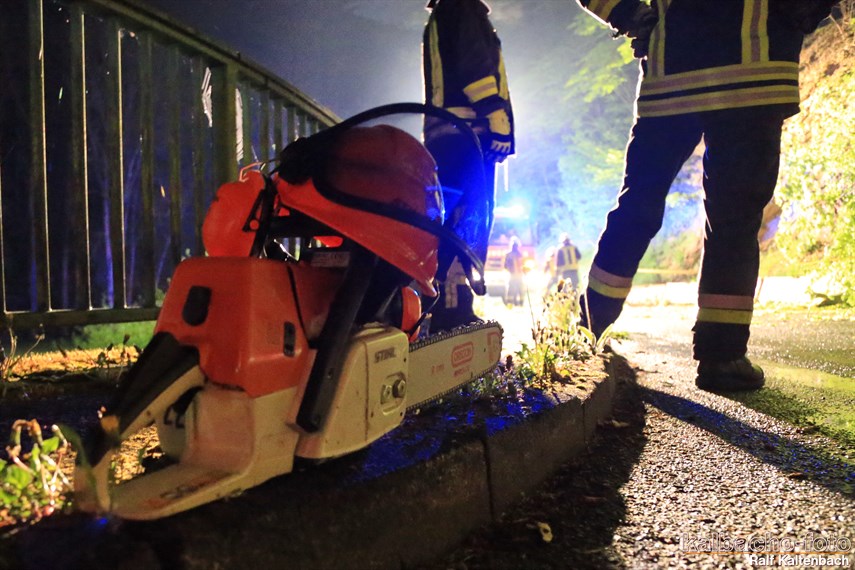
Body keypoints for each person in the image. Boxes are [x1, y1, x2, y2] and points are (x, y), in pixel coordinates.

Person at [575, 0, 839, 392]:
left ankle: (587, 330)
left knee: (638, 205)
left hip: (673, 75)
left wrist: (627, 13)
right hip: (755, 69)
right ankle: (722, 357)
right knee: (733, 221)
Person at [422, 0, 515, 330]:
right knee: (467, 219)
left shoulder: (447, 10)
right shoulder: (462, 7)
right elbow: (475, 68)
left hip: (450, 134)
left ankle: (451, 305)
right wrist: (497, 118)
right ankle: (450, 311)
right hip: (467, 134)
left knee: (453, 218)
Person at [504, 238, 525, 306]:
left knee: (511, 288)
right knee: (520, 288)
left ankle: (510, 302)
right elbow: (523, 265)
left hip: (512, 274)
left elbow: (505, 266)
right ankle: (520, 303)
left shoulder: (508, 255)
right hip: (519, 275)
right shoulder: (520, 254)